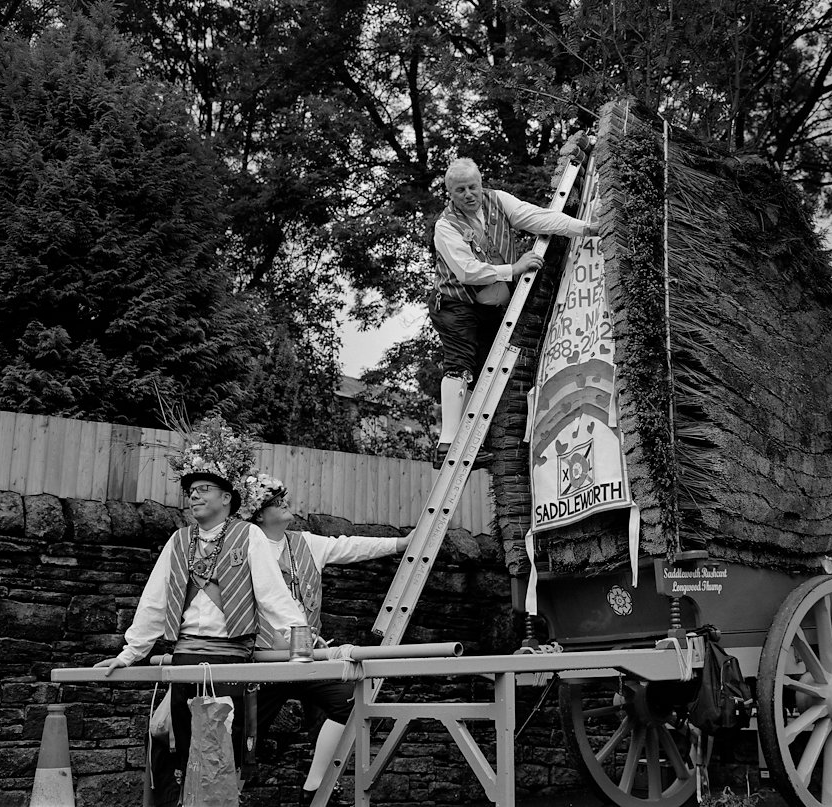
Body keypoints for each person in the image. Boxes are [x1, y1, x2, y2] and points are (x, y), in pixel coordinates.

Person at [94, 419, 306, 802]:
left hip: (230, 660)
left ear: (227, 498)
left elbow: (274, 597)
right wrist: (130, 654)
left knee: (221, 756)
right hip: (186, 657)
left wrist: (301, 644)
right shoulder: (178, 541)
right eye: (190, 491)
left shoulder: (249, 535)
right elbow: (154, 601)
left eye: (204, 489)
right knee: (180, 754)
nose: (193, 496)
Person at [240, 473, 411, 806]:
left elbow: (349, 546)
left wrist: (401, 544)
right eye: (276, 500)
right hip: (261, 662)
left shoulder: (305, 542)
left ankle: (315, 788)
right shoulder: (244, 546)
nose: (285, 502)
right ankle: (223, 793)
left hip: (306, 659)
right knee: (240, 732)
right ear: (257, 513)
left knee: (350, 700)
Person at [430, 157, 598, 469]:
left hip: (489, 307)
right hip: (455, 304)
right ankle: (447, 445)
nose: (469, 194)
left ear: (481, 183)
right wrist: (514, 268)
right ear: (450, 193)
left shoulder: (498, 201)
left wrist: (586, 229)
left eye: (473, 186)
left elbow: (538, 219)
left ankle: (468, 443)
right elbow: (467, 271)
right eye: (461, 190)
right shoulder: (445, 226)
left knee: (484, 374)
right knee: (460, 365)